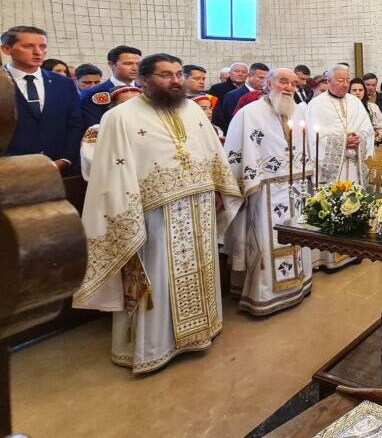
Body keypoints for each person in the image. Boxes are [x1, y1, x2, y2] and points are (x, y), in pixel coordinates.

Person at [72, 53, 243, 373]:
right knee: (159, 276)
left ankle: (201, 331)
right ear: (144, 79)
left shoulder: (192, 109)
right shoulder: (120, 117)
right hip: (152, 216)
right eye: (166, 75)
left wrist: (221, 187)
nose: (175, 80)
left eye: (178, 74)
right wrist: (127, 213)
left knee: (201, 268)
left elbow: (213, 152)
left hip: (200, 207)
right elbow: (111, 172)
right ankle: (155, 347)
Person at [224, 68, 312, 316]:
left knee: (297, 235)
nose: (288, 87)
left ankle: (298, 284)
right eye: (283, 81)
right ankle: (263, 295)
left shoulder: (298, 111)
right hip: (263, 192)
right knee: (265, 239)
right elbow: (234, 154)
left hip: (294, 187)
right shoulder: (248, 114)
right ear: (268, 83)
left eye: (293, 83)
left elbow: (306, 148)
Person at [305, 63, 374, 271]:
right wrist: (343, 141)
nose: (345, 84)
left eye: (347, 80)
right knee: (332, 205)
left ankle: (354, 250)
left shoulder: (355, 102)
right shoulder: (316, 105)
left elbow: (368, 130)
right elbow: (312, 138)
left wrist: (359, 138)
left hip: (353, 166)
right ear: (328, 81)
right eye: (340, 80)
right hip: (332, 170)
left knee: (354, 204)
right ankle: (330, 257)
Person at [2, 25, 84, 172]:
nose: (38, 52)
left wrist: (66, 159)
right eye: (28, 46)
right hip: (10, 171)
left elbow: (75, 124)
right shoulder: (2, 83)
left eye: (43, 46)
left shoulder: (63, 83)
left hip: (60, 168)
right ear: (6, 49)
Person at [80, 85, 144, 180]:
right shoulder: (98, 131)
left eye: (137, 104)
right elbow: (92, 163)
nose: (132, 108)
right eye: (125, 104)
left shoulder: (150, 128)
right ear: (112, 108)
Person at [80, 45, 142, 126]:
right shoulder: (93, 94)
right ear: (111, 65)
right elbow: (95, 127)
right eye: (128, 63)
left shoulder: (146, 91)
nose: (135, 68)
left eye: (138, 64)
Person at [215, 62, 269, 133]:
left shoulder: (268, 95)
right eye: (261, 78)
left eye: (267, 78)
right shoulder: (232, 96)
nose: (264, 81)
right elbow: (231, 121)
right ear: (249, 76)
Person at [350, 77, 382, 143]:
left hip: (369, 145)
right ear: (349, 92)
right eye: (354, 90)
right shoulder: (344, 108)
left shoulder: (373, 107)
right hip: (350, 145)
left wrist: (375, 134)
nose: (358, 93)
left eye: (361, 90)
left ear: (364, 91)